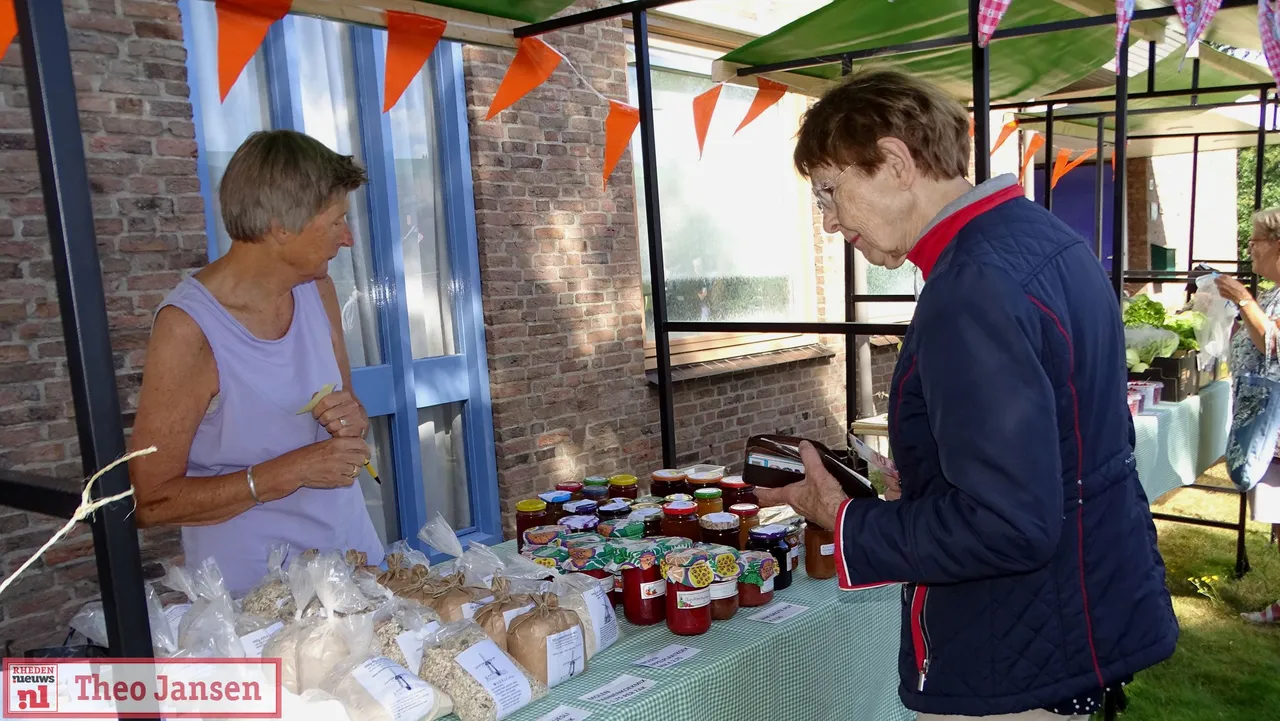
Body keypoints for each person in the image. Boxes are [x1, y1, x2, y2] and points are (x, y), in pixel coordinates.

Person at [756, 69, 1178, 720]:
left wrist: (841, 514)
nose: (832, 222)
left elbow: (1008, 522)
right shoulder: (1045, 240)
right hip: (1071, 625)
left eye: (830, 192)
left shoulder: (971, 286)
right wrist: (932, 477)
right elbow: (1054, 449)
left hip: (1012, 658)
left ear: (895, 161)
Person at [129, 129, 384, 595]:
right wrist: (292, 471)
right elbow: (152, 501)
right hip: (257, 596)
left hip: (350, 561)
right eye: (335, 222)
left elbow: (346, 409)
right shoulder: (189, 329)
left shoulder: (316, 288)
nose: (347, 239)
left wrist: (351, 418)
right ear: (280, 226)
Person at [1213, 208, 1280, 624]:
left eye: (1256, 239)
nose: (1250, 246)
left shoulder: (1262, 294)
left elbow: (1274, 343)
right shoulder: (1273, 291)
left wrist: (1242, 299)